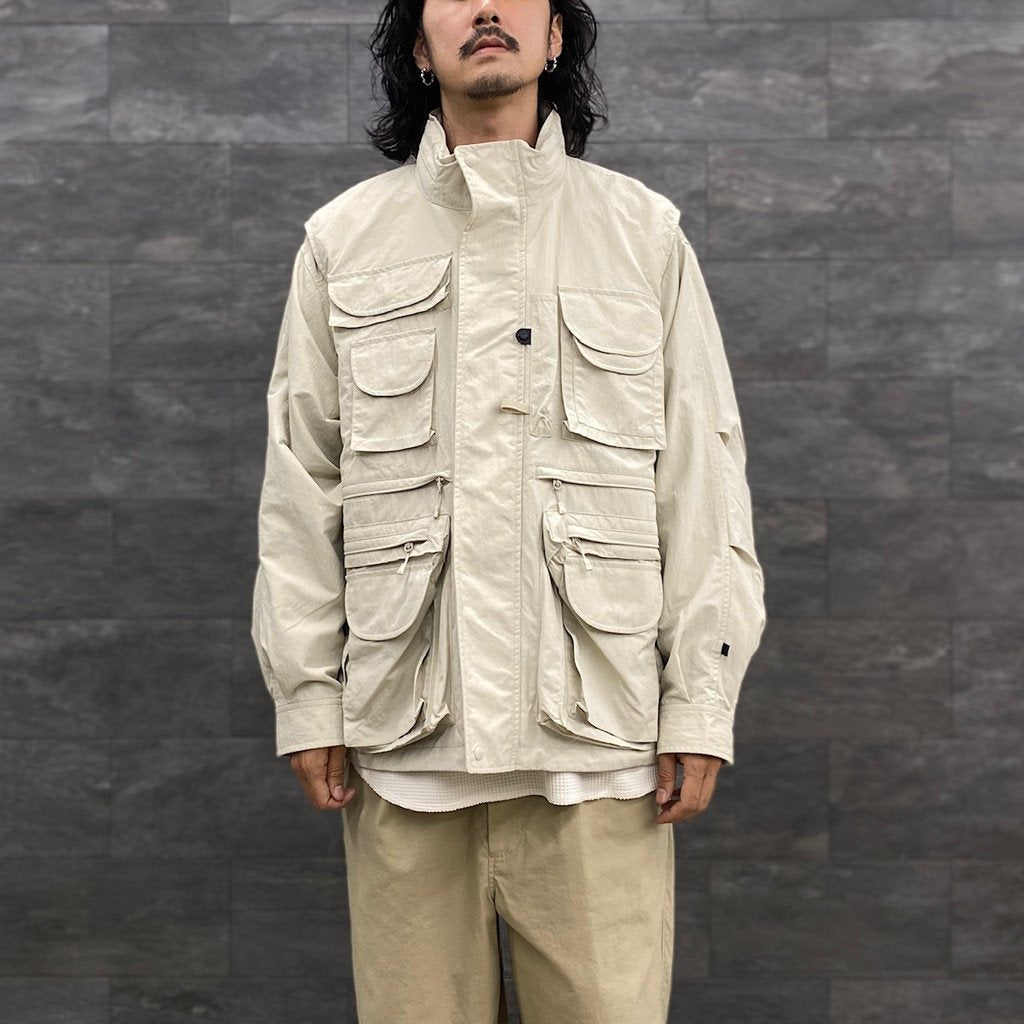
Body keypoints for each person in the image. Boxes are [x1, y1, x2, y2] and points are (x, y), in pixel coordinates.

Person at [250, 1, 767, 1021]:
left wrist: (700, 700)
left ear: (557, 35)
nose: (486, 7)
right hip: (407, 753)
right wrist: (307, 695)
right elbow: (300, 485)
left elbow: (704, 481)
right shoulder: (343, 241)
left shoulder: (641, 234)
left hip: (598, 755)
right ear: (416, 44)